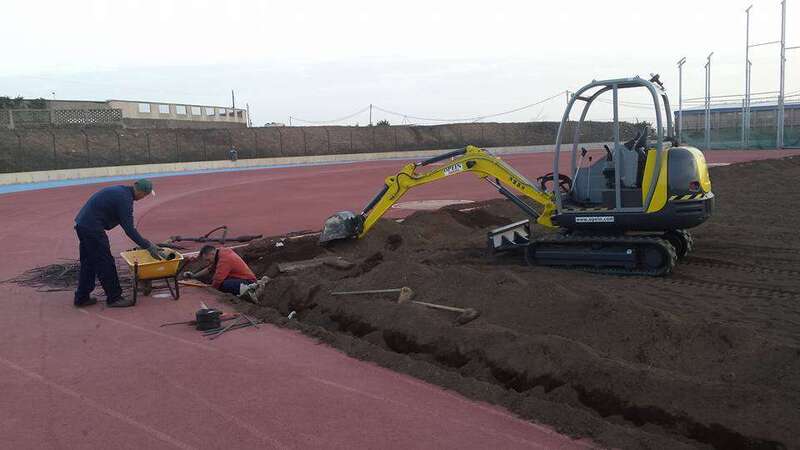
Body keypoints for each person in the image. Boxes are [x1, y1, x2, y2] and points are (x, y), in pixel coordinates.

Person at [74, 179, 163, 308]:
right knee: (105, 262)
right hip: (92, 228)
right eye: (145, 195)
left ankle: (81, 297)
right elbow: (129, 229)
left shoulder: (121, 191)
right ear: (141, 192)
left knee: (89, 262)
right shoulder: (125, 200)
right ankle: (114, 298)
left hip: (82, 224)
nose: (144, 198)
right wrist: (148, 246)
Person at [184, 245, 257, 296]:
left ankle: (250, 291)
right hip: (240, 279)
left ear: (212, 254)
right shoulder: (220, 253)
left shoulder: (224, 259)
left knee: (223, 284)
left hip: (248, 282)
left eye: (208, 260)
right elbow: (209, 269)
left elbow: (218, 280)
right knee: (219, 281)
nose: (208, 262)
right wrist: (194, 276)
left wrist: (211, 289)